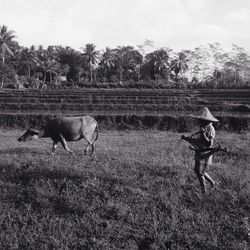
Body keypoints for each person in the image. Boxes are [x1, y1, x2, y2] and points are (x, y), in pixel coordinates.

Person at [189, 107, 219, 194]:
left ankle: (203, 191)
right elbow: (199, 140)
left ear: (206, 120)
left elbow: (209, 144)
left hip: (205, 153)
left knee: (200, 173)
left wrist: (203, 134)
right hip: (200, 152)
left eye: (201, 120)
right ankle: (212, 183)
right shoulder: (204, 127)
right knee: (197, 170)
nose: (199, 121)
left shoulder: (210, 129)